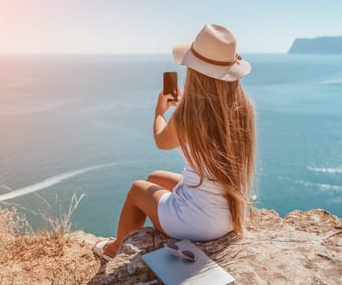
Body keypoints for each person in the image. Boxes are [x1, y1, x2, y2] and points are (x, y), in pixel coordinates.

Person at [93, 24, 256, 261]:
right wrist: (182, 108)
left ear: (195, 72)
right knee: (154, 177)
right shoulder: (242, 108)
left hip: (198, 224)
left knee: (137, 190)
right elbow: (207, 124)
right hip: (229, 215)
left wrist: (160, 113)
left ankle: (115, 249)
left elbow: (162, 140)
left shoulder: (189, 116)